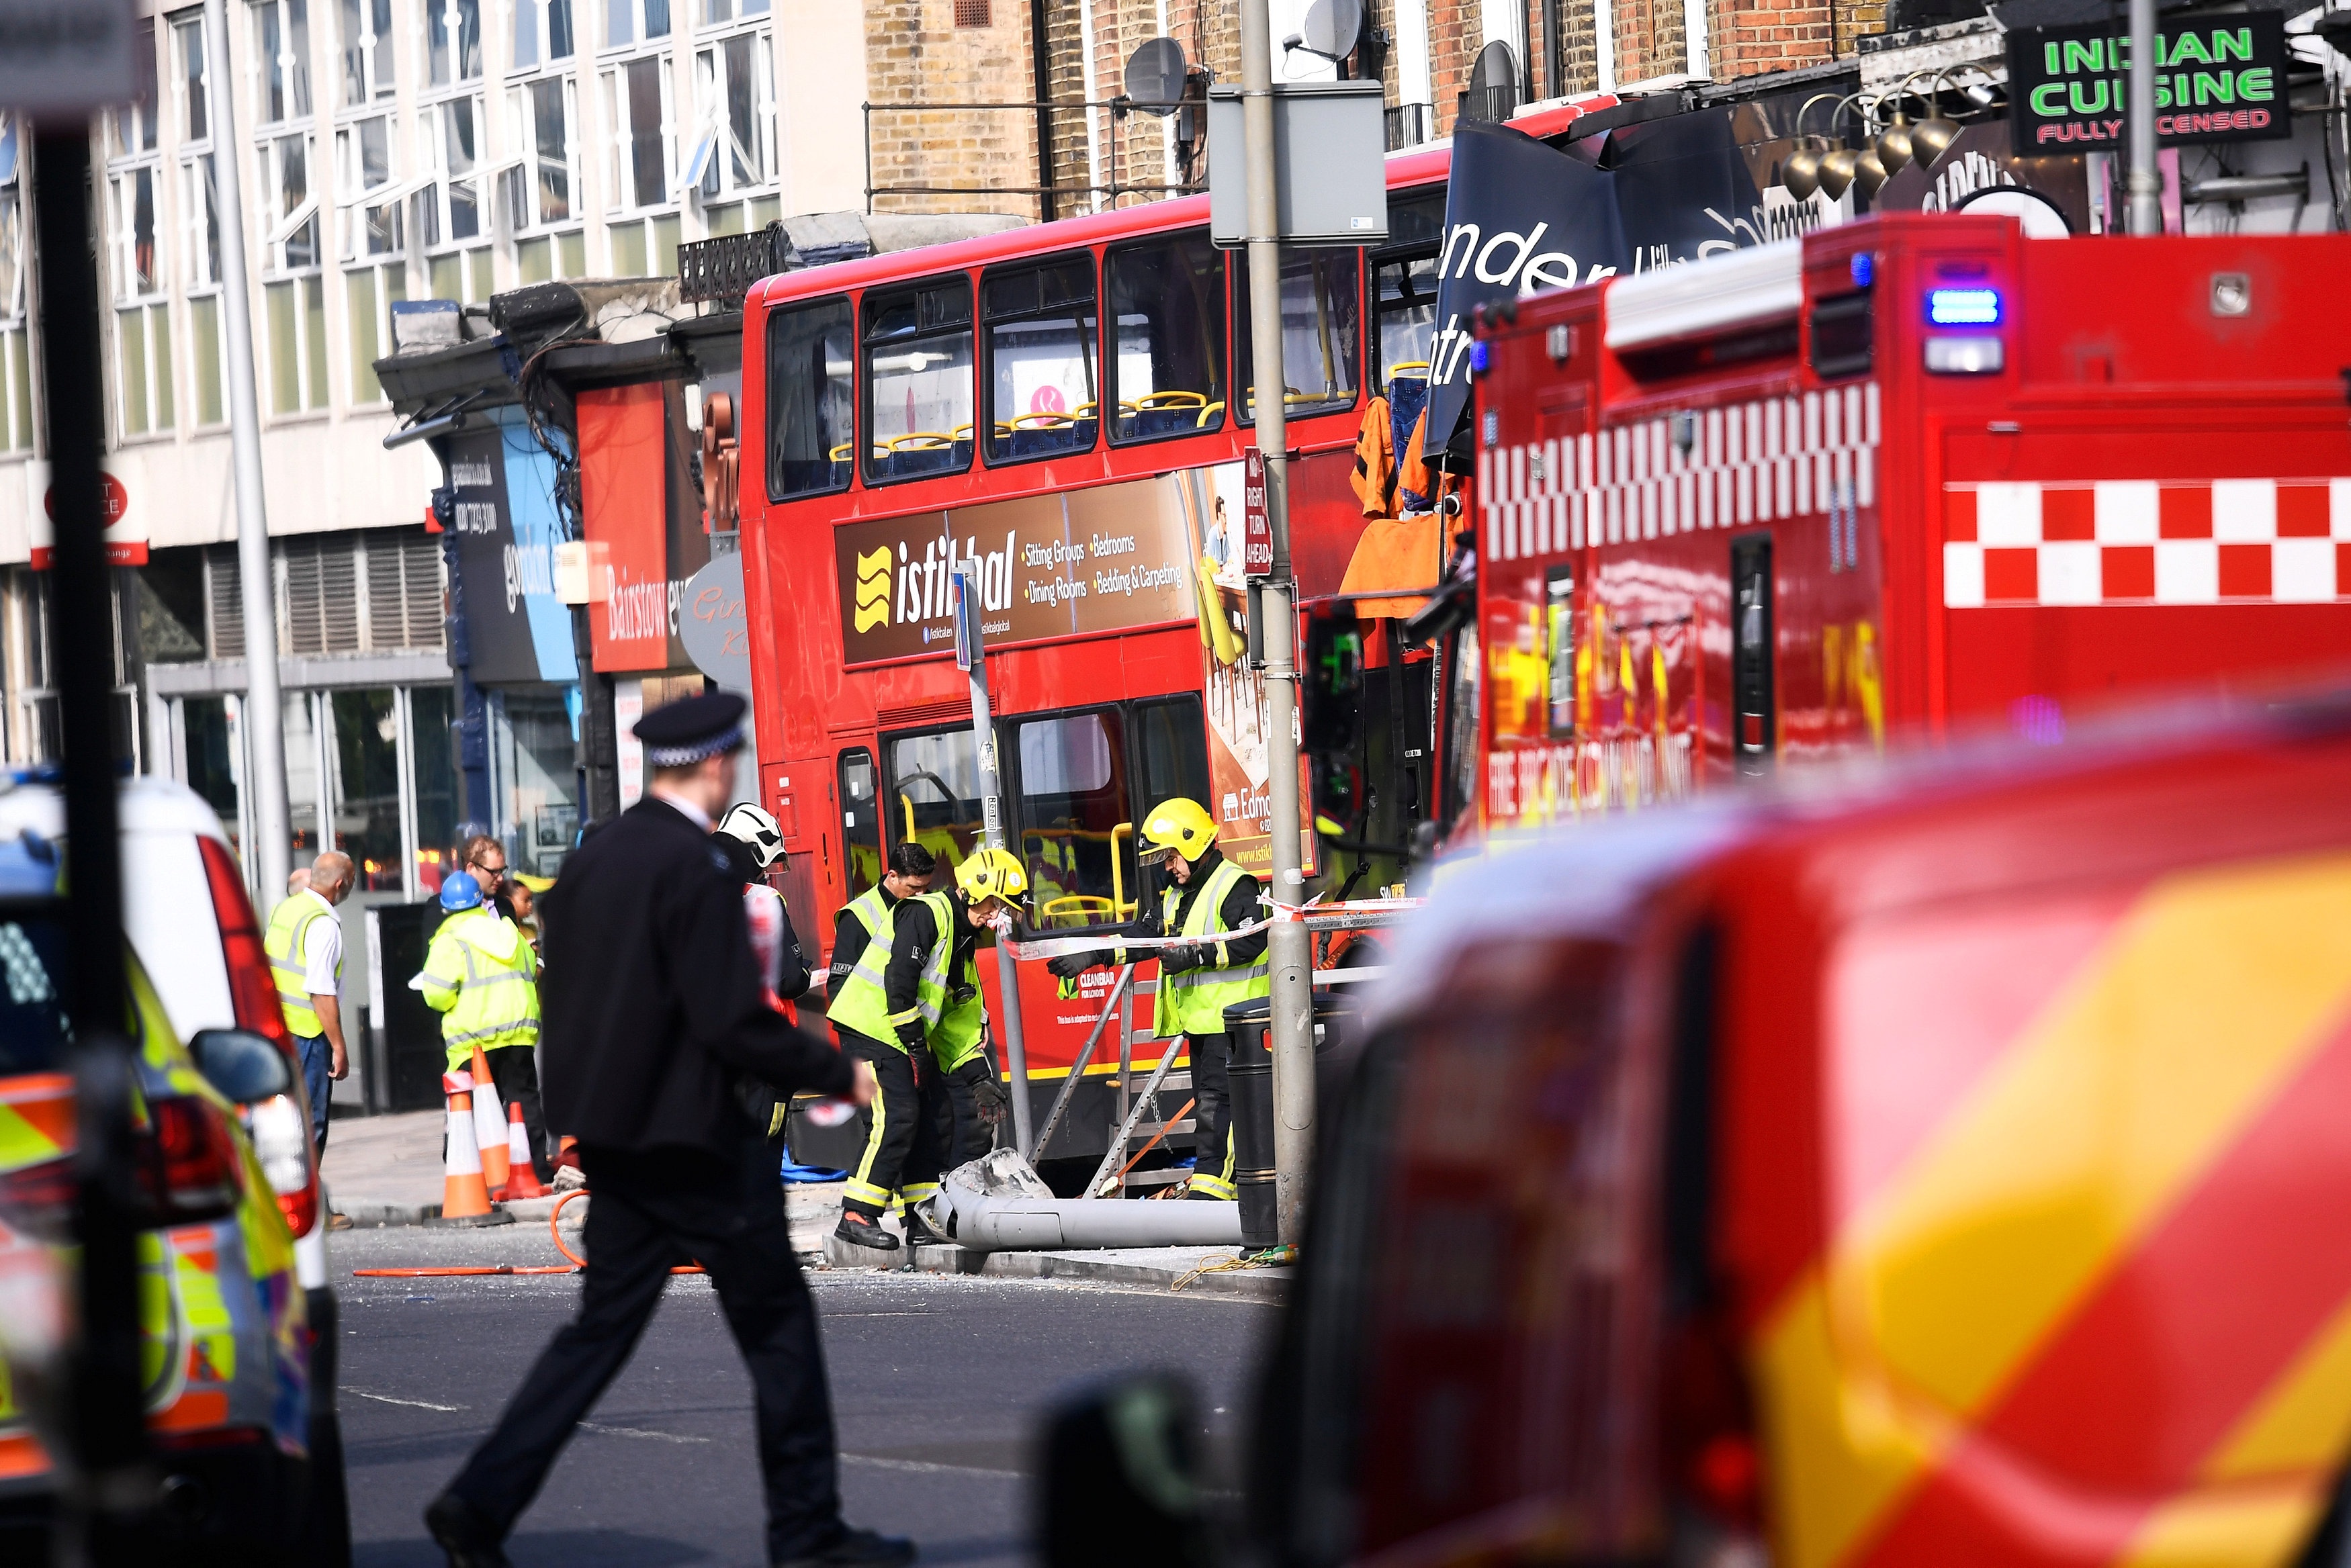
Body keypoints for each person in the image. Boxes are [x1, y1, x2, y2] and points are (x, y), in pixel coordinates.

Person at [425, 692, 910, 1568]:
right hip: (698, 1140)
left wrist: (577, 1128)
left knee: (599, 1332)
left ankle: (477, 1500)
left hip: (617, 1141)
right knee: (778, 1330)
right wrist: (838, 1069)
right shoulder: (698, 867)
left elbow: (562, 1002)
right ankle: (808, 1533)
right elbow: (731, 1015)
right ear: (719, 765)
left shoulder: (599, 856)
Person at [1047, 798, 1266, 1201]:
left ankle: (1215, 1192)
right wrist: (1092, 956)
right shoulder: (1175, 894)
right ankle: (1212, 1189)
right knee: (1211, 1107)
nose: (1168, 867)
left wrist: (1195, 955)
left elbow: (1252, 940)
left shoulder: (1236, 885)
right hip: (1204, 1024)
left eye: (1172, 857)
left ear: (1195, 843)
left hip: (1236, 1023)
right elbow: (1142, 938)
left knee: (1221, 1110)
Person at [823, 842, 950, 1251]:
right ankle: (859, 1214)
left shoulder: (919, 910)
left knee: (919, 1120)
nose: (920, 895)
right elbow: (841, 988)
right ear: (890, 877)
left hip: (901, 1035)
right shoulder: (860, 916)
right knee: (891, 1121)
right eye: (913, 887)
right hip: (871, 1036)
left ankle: (918, 1217)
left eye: (927, 887)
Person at [899, 849, 1024, 1235]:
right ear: (973, 891)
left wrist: (978, 1078)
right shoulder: (931, 915)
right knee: (902, 1126)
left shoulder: (962, 938)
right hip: (889, 1039)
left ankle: (927, 1220)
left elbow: (958, 1022)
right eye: (993, 904)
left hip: (913, 1042)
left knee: (936, 1124)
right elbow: (898, 985)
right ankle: (860, 1217)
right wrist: (916, 1047)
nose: (995, 916)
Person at [417, 870, 549, 1183]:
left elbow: (436, 995)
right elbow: (531, 969)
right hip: (518, 1031)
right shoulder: (508, 931)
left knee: (471, 1109)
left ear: (447, 909)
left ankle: (473, 1177)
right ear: (480, 902)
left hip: (473, 1039)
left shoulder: (448, 939)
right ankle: (536, 1172)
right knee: (523, 1101)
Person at [265, 849, 353, 1154]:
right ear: (340, 883)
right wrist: (339, 1046)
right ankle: (303, 1195)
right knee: (309, 1125)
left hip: (277, 1029)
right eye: (353, 879)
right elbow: (321, 991)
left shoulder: (286, 909)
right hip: (308, 1037)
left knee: (280, 1124)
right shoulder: (323, 924)